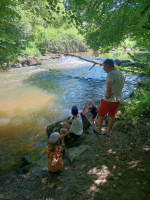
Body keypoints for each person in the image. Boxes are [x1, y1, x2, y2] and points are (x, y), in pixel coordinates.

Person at [94, 59, 125, 137]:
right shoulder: (121, 74)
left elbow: (109, 87)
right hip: (118, 100)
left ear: (108, 66)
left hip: (110, 100)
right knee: (112, 114)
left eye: (104, 68)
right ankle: (108, 132)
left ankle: (99, 129)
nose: (104, 70)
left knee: (100, 113)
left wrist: (107, 96)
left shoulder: (110, 74)